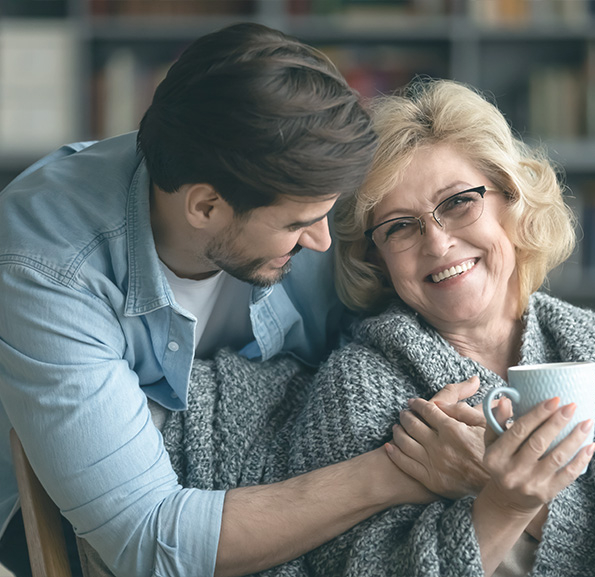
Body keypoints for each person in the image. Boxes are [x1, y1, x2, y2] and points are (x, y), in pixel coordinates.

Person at [161, 78, 595, 577]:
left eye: (459, 202)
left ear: (512, 198)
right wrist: (503, 505)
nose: (438, 241)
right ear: (376, 258)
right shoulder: (362, 388)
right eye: (400, 226)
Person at [0, 23, 467, 577]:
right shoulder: (47, 267)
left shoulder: (295, 180)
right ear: (204, 207)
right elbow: (149, 543)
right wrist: (398, 471)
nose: (324, 241)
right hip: (69, 538)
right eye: (300, 223)